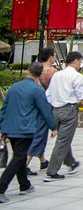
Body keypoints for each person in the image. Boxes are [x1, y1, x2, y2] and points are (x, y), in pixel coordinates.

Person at [0, 62, 57, 204]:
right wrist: (53, 127)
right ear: (40, 74)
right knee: (19, 157)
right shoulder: (37, 90)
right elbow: (45, 110)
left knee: (19, 155)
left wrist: (2, 128)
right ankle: (1, 187)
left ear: (27, 72)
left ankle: (24, 185)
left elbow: (4, 109)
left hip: (10, 128)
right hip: (25, 129)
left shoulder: (14, 87)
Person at [44, 51, 83, 181]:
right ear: (76, 61)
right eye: (80, 61)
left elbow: (48, 94)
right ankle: (52, 172)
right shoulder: (77, 76)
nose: (80, 64)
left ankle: (70, 162)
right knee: (63, 141)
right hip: (69, 110)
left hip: (55, 109)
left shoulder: (57, 74)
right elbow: (82, 95)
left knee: (64, 138)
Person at [25, 48, 57, 176]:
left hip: (31, 103)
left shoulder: (33, 69)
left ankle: (43, 160)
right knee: (39, 134)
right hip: (44, 103)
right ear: (50, 57)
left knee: (38, 132)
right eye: (54, 56)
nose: (54, 58)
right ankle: (24, 164)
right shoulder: (52, 72)